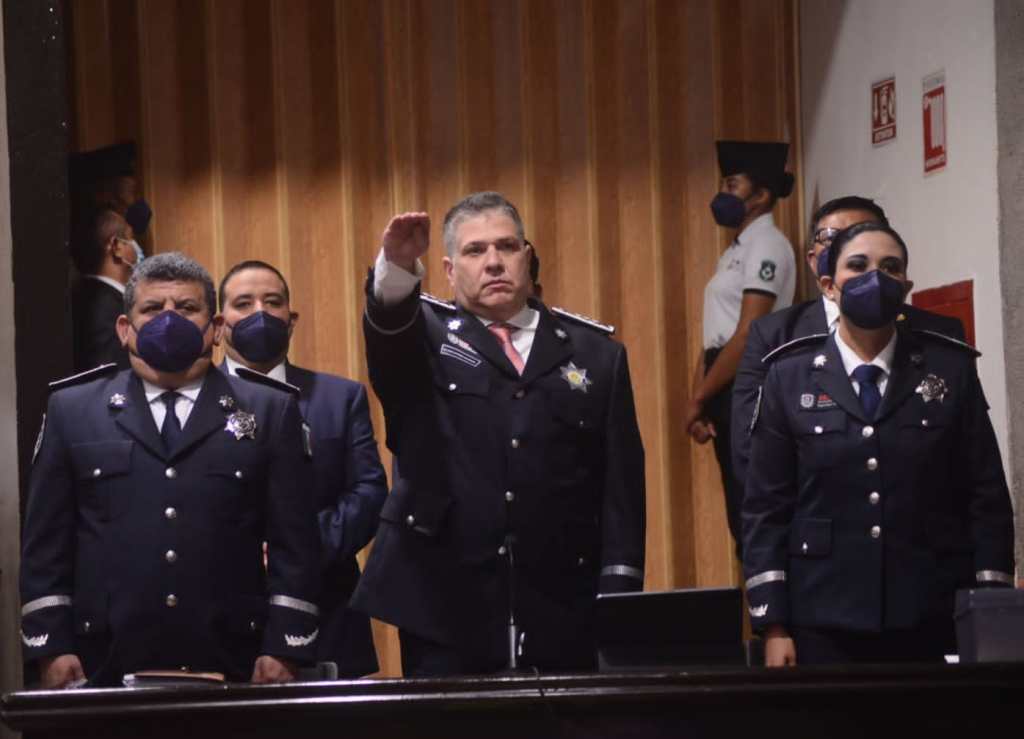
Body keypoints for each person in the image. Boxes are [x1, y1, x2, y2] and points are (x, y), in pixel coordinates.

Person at [351, 191, 646, 676]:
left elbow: (621, 492)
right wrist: (397, 268)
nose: (493, 262)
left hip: (562, 604)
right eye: (475, 250)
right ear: (448, 270)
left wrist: (619, 595)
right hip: (444, 602)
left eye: (507, 246)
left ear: (526, 256)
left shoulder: (595, 354)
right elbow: (388, 325)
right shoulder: (423, 337)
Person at [20, 252, 321, 688]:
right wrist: (51, 646)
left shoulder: (270, 410)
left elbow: (296, 545)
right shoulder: (73, 410)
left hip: (234, 660)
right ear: (125, 329)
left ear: (215, 327)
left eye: (186, 308)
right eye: (151, 309)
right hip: (101, 662)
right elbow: (45, 544)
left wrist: (284, 647)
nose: (169, 320)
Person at [743, 222, 1015, 666]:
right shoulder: (788, 377)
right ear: (829, 286)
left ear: (905, 287)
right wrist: (773, 625)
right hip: (823, 615)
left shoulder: (948, 369)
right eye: (858, 265)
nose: (876, 277)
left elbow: (986, 497)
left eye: (891, 268)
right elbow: (766, 507)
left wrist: (992, 608)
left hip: (931, 611)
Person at [218, 259, 388, 677]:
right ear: (220, 324)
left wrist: (300, 549)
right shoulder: (194, 402)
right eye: (244, 303)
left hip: (326, 611)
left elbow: (369, 493)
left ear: (291, 321)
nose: (260, 313)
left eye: (272, 302)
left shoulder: (339, 398)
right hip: (222, 616)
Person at [731, 196, 965, 490]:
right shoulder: (775, 335)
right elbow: (749, 448)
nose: (849, 245)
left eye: (861, 232)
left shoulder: (939, 334)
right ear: (814, 260)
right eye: (832, 238)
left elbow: (972, 459)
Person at [687, 140, 797, 558]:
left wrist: (699, 398)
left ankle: (771, 599)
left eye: (732, 185)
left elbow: (750, 331)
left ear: (762, 195)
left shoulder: (768, 245)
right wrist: (700, 397)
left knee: (754, 506)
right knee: (739, 506)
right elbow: (717, 333)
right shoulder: (737, 248)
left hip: (749, 379)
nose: (723, 194)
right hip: (724, 378)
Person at [70, 209, 143, 371]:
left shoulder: (77, 297)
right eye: (131, 238)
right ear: (116, 246)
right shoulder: (109, 311)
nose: (136, 247)